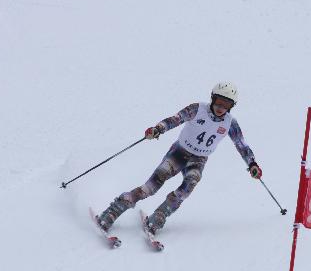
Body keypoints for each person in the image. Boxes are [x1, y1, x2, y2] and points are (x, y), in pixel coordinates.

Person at [96, 82, 262, 235]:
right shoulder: (197, 109)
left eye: (227, 105)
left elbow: (241, 145)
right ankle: (113, 211)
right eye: (219, 102)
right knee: (151, 187)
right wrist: (158, 129)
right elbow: (175, 119)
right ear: (212, 98)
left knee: (189, 185)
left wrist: (252, 164)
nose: (221, 108)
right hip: (179, 153)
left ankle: (159, 216)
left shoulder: (230, 123)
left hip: (199, 160)